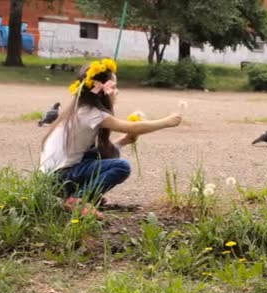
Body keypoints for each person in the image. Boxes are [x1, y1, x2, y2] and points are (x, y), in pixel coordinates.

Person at [40, 58, 182, 219]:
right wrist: (166, 122)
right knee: (121, 166)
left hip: (54, 178)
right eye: (113, 87)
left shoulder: (80, 110)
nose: (117, 92)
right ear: (101, 91)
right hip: (60, 177)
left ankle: (78, 196)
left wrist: (124, 141)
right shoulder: (91, 113)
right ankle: (78, 200)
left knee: (100, 154)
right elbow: (131, 127)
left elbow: (95, 153)